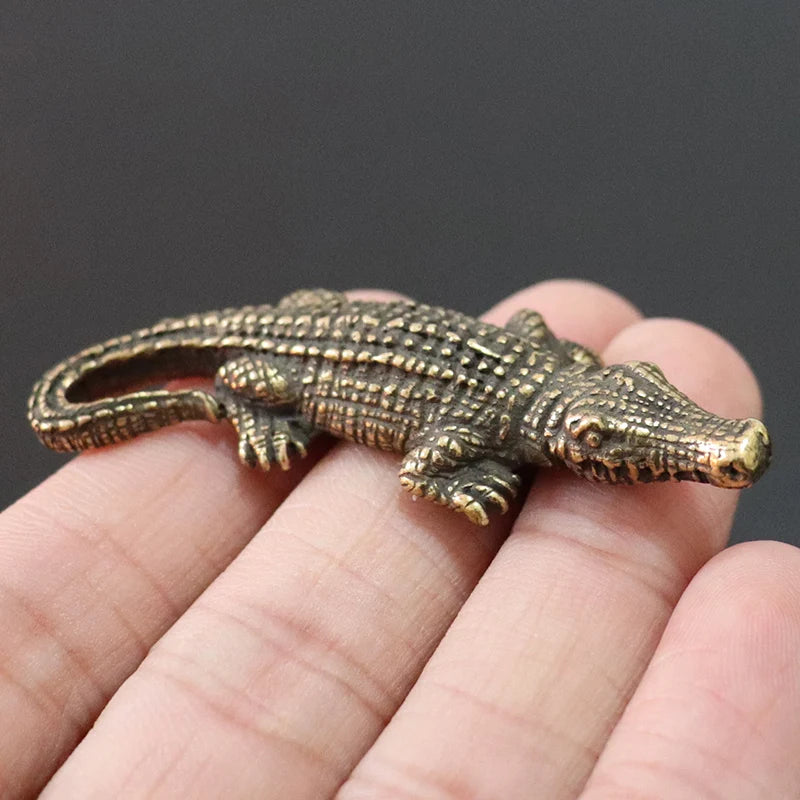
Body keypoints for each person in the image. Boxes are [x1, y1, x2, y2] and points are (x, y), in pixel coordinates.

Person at [3, 281, 797, 799]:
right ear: (580, 438)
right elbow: (421, 470)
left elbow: (530, 327)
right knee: (261, 386)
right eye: (610, 439)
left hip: (328, 318)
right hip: (289, 354)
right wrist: (235, 406)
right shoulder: (484, 425)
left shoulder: (551, 374)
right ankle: (237, 404)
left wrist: (695, 443)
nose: (703, 446)